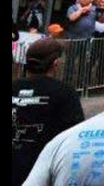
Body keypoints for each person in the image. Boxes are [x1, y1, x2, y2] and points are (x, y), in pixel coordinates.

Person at [13, 38, 84, 185]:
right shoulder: (65, 93)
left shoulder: (14, 87)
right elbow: (75, 137)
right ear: (55, 64)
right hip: (42, 172)